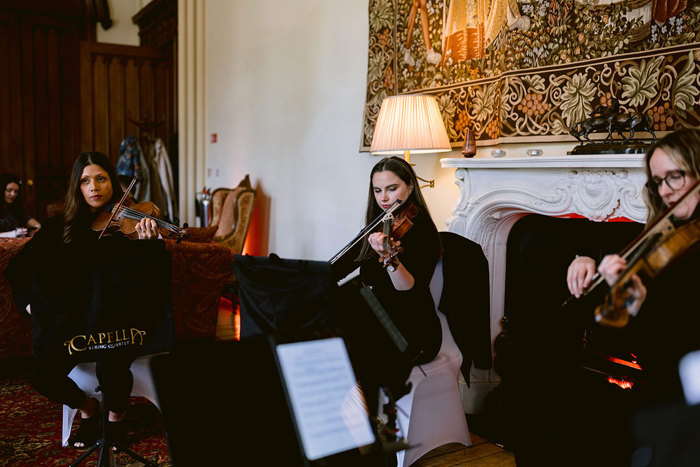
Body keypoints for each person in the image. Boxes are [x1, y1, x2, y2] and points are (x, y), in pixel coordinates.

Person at [560, 128, 700, 464]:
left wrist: (638, 305)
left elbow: (678, 342)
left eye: (675, 178)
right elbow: (620, 335)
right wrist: (586, 261)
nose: (665, 191)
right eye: (657, 182)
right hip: (661, 389)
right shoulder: (665, 235)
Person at [7, 152, 160, 451]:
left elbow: (149, 284)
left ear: (112, 183)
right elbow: (19, 268)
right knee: (42, 374)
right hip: (74, 323)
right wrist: (28, 303)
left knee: (112, 361)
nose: (94, 187)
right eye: (85, 181)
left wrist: (150, 247)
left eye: (101, 179)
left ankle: (117, 418)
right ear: (76, 188)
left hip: (118, 317)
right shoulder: (59, 228)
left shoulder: (128, 228)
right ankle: (88, 409)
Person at [358, 156, 443, 370]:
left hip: (414, 331)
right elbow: (367, 276)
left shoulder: (423, 230)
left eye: (392, 188)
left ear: (410, 186)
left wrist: (389, 257)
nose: (384, 197)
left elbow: (407, 289)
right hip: (382, 322)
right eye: (377, 190)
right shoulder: (381, 224)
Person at [0, 173, 41, 237]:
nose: (13, 194)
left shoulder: (16, 208)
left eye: (16, 191)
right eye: (9, 190)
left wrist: (35, 229)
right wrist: (14, 233)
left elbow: (36, 225)